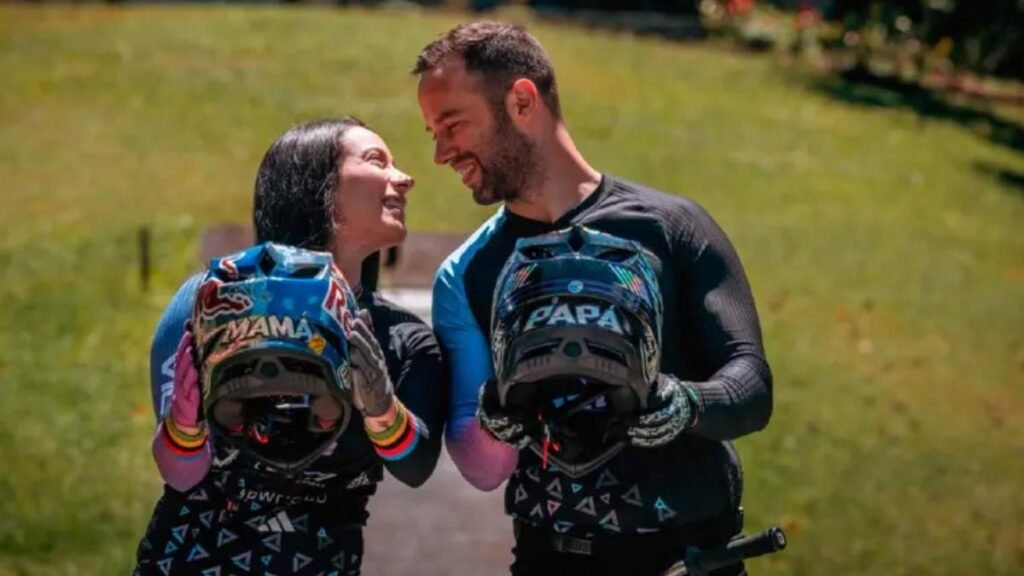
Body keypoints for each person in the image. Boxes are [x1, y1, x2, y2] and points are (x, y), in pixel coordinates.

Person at [414, 22, 772, 575]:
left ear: (521, 101)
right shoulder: (468, 273)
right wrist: (493, 416)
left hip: (689, 560)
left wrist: (685, 404)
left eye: (452, 124)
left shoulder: (670, 227)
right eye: (432, 133)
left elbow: (752, 385)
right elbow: (482, 467)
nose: (440, 153)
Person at [133, 117, 446, 575]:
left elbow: (416, 467)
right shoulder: (213, 301)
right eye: (377, 161)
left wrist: (382, 410)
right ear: (319, 187)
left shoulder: (403, 336)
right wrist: (182, 425)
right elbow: (180, 473)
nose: (404, 178)